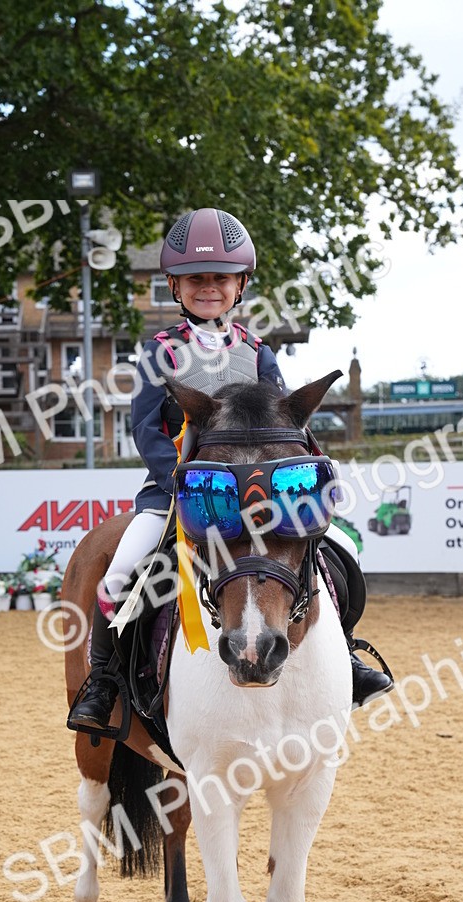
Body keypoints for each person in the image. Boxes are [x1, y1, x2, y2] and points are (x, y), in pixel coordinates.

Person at [70, 207, 392, 729]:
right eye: (197, 280)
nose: (208, 289)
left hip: (261, 499)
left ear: (239, 284)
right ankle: (103, 682)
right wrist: (183, 477)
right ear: (176, 286)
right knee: (120, 574)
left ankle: (348, 658)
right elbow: (145, 428)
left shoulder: (258, 354)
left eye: (219, 279)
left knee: (343, 552)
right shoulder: (158, 352)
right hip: (182, 495)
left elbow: (284, 418)